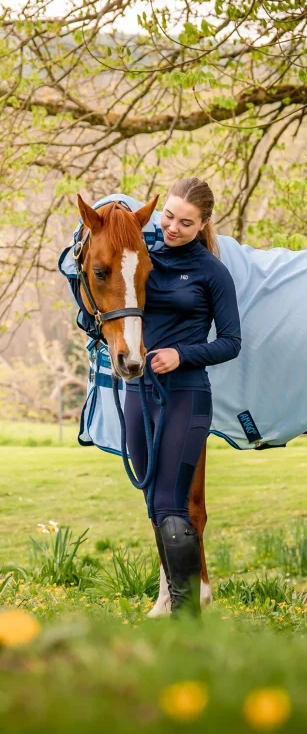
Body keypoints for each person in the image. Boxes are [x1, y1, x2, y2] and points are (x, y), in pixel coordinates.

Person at [73, 178, 242, 611]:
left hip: (185, 392)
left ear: (203, 223)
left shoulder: (211, 271)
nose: (173, 227)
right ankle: (169, 598)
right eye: (169, 216)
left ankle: (189, 613)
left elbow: (231, 342)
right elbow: (110, 281)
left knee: (171, 501)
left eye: (186, 222)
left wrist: (180, 355)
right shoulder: (145, 255)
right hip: (139, 391)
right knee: (153, 498)